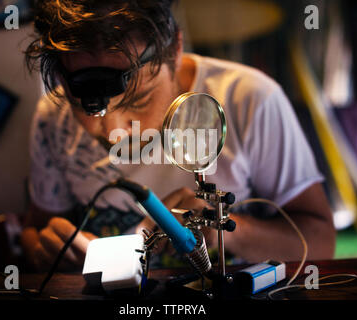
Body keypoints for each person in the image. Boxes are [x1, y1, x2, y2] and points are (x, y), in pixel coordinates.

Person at [20, 0, 335, 272]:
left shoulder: (249, 101)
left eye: (139, 101)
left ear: (175, 49)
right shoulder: (54, 117)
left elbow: (321, 244)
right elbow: (35, 230)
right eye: (88, 105)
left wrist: (222, 230)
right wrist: (45, 248)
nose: (113, 131)